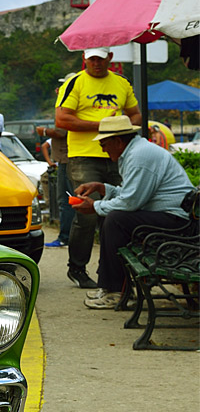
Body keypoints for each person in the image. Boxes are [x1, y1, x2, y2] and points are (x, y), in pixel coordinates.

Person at [70, 115, 192, 309]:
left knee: (116, 219)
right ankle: (110, 286)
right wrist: (103, 188)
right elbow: (132, 194)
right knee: (114, 218)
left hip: (176, 219)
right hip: (169, 215)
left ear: (118, 141)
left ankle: (115, 290)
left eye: (104, 143)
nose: (102, 148)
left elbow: (130, 202)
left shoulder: (139, 156)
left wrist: (94, 206)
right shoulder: (135, 151)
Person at [54, 47, 141, 289]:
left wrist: (121, 129)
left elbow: (136, 115)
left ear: (110, 58)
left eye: (101, 59)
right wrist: (103, 126)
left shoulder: (122, 83)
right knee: (87, 210)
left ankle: (111, 270)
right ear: (84, 59)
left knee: (115, 213)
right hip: (84, 156)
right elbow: (62, 120)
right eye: (91, 59)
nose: (96, 63)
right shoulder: (75, 83)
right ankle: (78, 268)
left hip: (116, 155)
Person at [37, 74, 76, 247]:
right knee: (70, 199)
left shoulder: (69, 104)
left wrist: (45, 131)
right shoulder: (68, 103)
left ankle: (65, 237)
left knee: (66, 200)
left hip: (67, 159)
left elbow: (62, 132)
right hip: (65, 158)